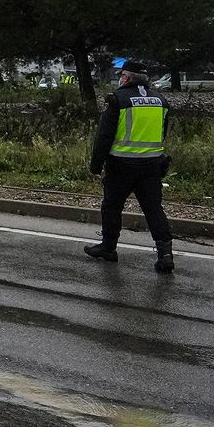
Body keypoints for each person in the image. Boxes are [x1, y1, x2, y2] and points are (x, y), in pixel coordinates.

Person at [86, 60, 174, 273]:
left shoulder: (118, 100)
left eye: (121, 75)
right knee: (153, 209)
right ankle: (166, 255)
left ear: (126, 77)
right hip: (152, 165)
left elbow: (104, 137)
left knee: (111, 206)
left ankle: (109, 247)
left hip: (121, 165)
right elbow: (162, 132)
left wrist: (95, 166)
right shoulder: (160, 101)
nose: (119, 79)